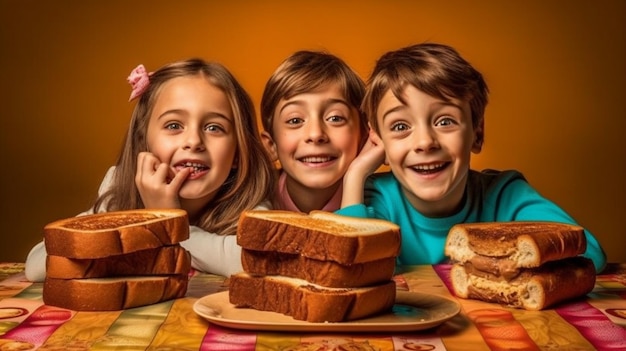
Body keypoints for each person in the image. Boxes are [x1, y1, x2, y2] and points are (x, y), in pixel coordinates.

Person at [337, 43, 607, 273]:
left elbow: (589, 253)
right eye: (399, 127)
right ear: (378, 140)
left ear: (477, 134)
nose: (425, 142)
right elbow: (355, 268)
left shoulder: (504, 194)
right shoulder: (378, 199)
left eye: (445, 121)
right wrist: (356, 174)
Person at [25, 58, 277, 281]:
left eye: (214, 128)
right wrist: (146, 220)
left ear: (237, 153)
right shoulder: (119, 191)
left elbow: (249, 262)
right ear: (143, 142)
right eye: (174, 125)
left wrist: (168, 219)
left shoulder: (251, 204)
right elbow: (35, 267)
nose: (194, 141)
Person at [260, 50, 368, 213]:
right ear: (271, 145)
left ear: (364, 137)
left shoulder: (385, 204)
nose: (316, 134)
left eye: (335, 118)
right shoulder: (253, 202)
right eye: (295, 120)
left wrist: (357, 175)